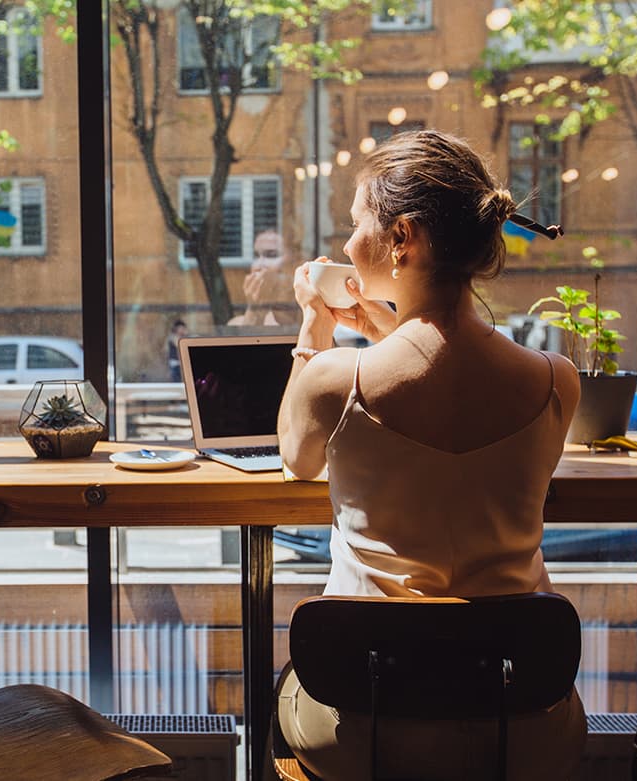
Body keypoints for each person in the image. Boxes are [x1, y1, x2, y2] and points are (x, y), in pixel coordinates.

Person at [273, 130, 585, 779]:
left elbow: (295, 458)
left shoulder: (336, 380)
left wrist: (313, 330)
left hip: (367, 723)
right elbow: (455, 388)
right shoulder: (558, 381)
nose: (351, 234)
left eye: (359, 218)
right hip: (518, 720)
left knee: (281, 688)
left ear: (402, 238)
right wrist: (387, 329)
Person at [228, 230, 301, 327]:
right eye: (256, 256)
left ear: (295, 262)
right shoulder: (236, 325)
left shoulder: (314, 315)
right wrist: (255, 310)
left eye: (271, 255)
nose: (259, 265)